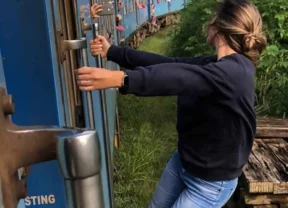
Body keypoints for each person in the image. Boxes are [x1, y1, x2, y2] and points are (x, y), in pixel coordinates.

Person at [76, 0, 267, 207]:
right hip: (184, 162)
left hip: (211, 183)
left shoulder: (234, 73)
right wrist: (112, 52)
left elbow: (178, 79)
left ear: (217, 27)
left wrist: (122, 79)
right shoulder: (218, 65)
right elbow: (171, 65)